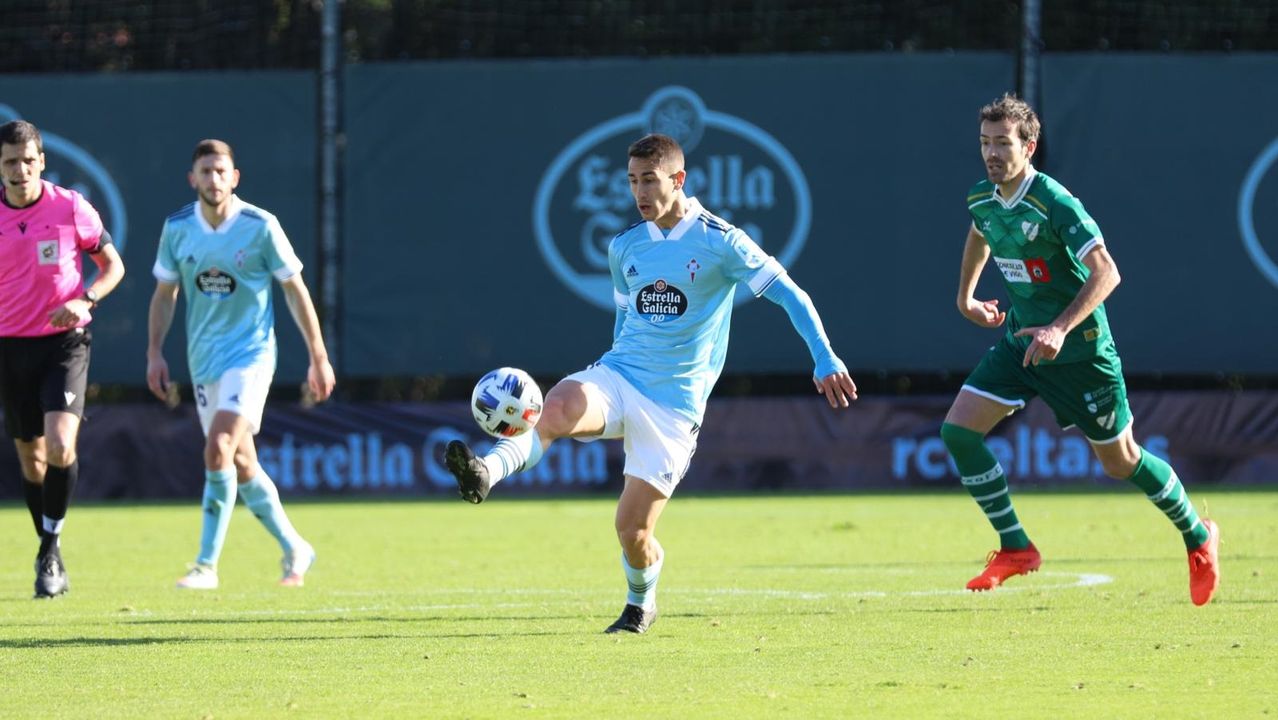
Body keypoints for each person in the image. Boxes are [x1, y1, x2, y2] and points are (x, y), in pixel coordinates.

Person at [446, 133, 858, 633]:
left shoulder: (720, 240)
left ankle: (641, 602)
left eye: (649, 180)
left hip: (674, 408)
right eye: (632, 181)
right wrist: (604, 377)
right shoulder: (625, 247)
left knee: (632, 531)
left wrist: (825, 357)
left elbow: (792, 295)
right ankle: (486, 471)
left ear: (678, 179)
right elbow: (623, 323)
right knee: (558, 405)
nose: (639, 192)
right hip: (620, 375)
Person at [942, 94, 1220, 605]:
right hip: (1022, 345)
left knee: (1122, 462)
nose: (991, 153)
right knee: (958, 432)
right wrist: (966, 298)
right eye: (984, 142)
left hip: (1080, 355)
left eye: (1002, 142)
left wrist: (1061, 327)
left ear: (1028, 146)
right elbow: (981, 231)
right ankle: (1016, 547)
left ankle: (1198, 536)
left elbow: (1107, 272)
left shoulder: (1055, 201)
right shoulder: (981, 196)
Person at [146, 139, 335, 590]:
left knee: (219, 446)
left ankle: (205, 566)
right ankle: (295, 547)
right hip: (203, 360)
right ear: (192, 179)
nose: (213, 179)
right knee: (243, 464)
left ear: (235, 177)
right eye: (205, 171)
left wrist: (318, 355)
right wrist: (155, 351)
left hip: (251, 356)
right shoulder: (177, 229)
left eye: (220, 171)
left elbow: (294, 289)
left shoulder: (260, 225)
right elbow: (165, 294)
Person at [0, 119, 126, 598]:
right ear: (0, 165)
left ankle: (50, 549)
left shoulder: (70, 206)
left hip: (64, 343)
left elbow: (113, 265)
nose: (21, 169)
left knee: (59, 446)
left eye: (28, 160)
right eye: (11, 161)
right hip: (9, 347)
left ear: (42, 161)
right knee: (31, 461)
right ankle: (47, 545)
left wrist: (87, 299)